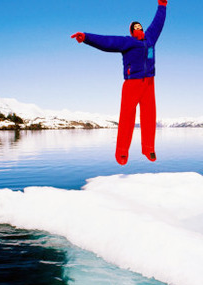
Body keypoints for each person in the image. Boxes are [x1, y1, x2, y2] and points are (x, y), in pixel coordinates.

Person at [71, 0, 167, 165]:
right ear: (131, 32)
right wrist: (86, 38)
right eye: (135, 28)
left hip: (149, 83)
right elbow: (107, 42)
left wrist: (162, 5)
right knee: (127, 118)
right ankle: (122, 152)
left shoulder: (151, 38)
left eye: (140, 27)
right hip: (132, 84)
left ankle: (148, 148)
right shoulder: (127, 42)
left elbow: (158, 23)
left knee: (149, 116)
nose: (138, 29)